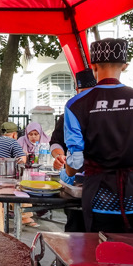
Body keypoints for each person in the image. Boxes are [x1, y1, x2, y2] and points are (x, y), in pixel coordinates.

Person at [63, 38, 133, 233]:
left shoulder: (76, 105)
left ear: (93, 66)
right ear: (125, 66)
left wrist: (68, 171)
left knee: (100, 257)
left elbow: (76, 162)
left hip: (99, 198)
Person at [50, 68, 96, 232]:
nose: (84, 98)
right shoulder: (69, 114)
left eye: (88, 93)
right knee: (76, 225)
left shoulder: (104, 114)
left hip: (101, 181)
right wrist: (59, 156)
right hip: (75, 180)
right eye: (81, 92)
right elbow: (55, 142)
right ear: (77, 91)